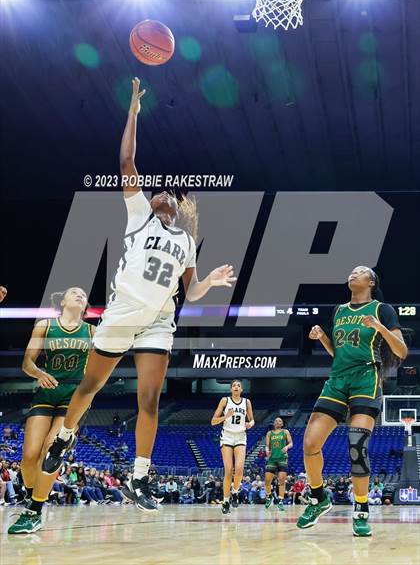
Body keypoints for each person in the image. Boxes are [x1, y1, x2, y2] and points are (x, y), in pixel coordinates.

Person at [42, 77, 236, 513]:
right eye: (156, 191)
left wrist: (212, 282)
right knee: (91, 384)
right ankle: (65, 438)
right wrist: (133, 110)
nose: (161, 191)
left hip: (158, 319)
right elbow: (126, 159)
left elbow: (192, 292)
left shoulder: (186, 242)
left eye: (167, 192)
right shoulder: (138, 217)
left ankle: (140, 476)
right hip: (124, 311)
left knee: (149, 398)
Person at [296, 266, 407, 537]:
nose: (352, 274)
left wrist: (380, 327)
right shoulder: (339, 311)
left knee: (357, 444)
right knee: (310, 443)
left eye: (360, 272)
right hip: (337, 379)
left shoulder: (383, 309)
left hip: (366, 379)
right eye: (352, 271)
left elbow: (401, 350)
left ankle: (361, 509)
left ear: (370, 282)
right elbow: (340, 354)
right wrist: (323, 338)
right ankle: (319, 497)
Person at [8, 287, 92, 535]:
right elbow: (27, 362)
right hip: (46, 391)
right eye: (74, 292)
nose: (79, 295)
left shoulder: (92, 332)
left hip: (74, 395)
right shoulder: (45, 325)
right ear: (63, 301)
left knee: (49, 450)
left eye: (83, 294)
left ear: (85, 306)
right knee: (29, 456)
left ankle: (34, 512)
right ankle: (32, 495)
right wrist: (39, 374)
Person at [211, 380, 255, 514]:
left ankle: (235, 492)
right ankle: (225, 501)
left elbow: (252, 419)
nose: (236, 387)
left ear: (241, 389)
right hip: (227, 436)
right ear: (231, 389)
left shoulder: (246, 402)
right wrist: (226, 416)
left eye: (238, 385)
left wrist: (250, 424)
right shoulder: (225, 400)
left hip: (241, 436)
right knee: (229, 470)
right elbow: (213, 421)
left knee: (240, 469)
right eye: (234, 385)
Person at [264, 417, 293, 511]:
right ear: (274, 423)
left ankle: (280, 501)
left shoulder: (285, 432)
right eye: (276, 420)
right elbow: (267, 446)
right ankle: (269, 497)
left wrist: (287, 447)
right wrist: (267, 450)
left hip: (282, 458)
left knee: (281, 481)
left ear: (282, 424)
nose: (277, 421)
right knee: (267, 481)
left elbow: (291, 443)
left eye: (279, 420)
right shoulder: (269, 433)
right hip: (272, 458)